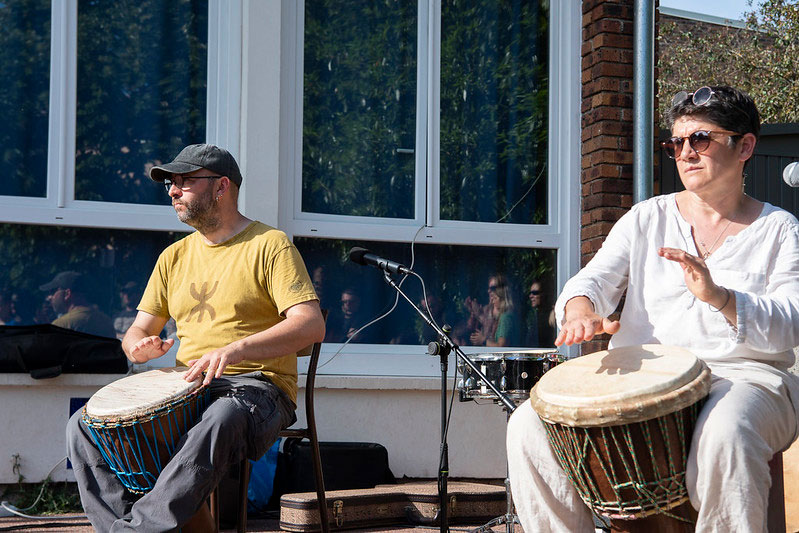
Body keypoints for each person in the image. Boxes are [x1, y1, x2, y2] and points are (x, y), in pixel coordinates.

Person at [506, 86, 799, 532]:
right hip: (645, 379)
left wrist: (720, 298)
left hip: (744, 376)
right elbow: (593, 280)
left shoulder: (777, 228)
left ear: (745, 146)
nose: (685, 153)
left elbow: (792, 323)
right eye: (675, 143)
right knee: (529, 424)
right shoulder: (647, 217)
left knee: (726, 432)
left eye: (700, 139)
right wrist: (581, 310)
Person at [66, 143, 325, 532]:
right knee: (83, 425)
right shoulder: (173, 256)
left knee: (220, 417)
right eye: (171, 182)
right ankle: (124, 528)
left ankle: (140, 529)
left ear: (221, 186)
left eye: (185, 181)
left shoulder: (270, 245)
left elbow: (310, 325)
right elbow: (139, 329)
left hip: (257, 389)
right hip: (187, 387)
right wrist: (138, 346)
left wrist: (237, 348)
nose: (173, 190)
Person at [40, 271, 116, 338]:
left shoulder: (60, 325)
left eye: (52, 291)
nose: (49, 297)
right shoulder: (106, 321)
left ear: (67, 294)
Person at [469, 274, 520, 347]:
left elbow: (501, 347)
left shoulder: (506, 317)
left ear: (502, 291)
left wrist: (483, 341)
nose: (489, 291)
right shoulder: (489, 310)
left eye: (493, 288)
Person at [523, 278, 555, 347]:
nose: (531, 296)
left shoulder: (552, 314)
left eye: (535, 293)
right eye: (530, 293)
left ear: (544, 294)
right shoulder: (536, 315)